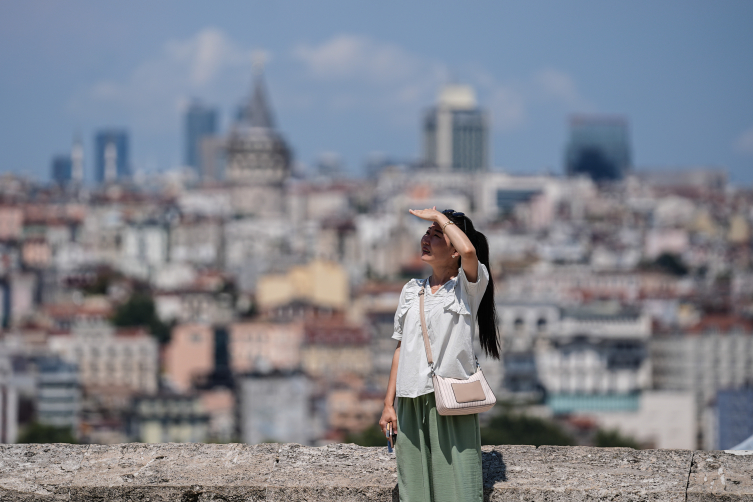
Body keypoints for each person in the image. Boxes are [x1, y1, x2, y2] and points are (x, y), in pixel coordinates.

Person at [379, 207, 500, 502]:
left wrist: (440, 218)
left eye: (436, 236)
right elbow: (400, 348)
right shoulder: (411, 290)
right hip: (410, 399)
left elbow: (470, 251)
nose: (426, 239)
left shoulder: (467, 287)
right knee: (414, 488)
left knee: (457, 487)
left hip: (450, 397)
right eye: (426, 233)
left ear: (453, 250)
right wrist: (388, 404)